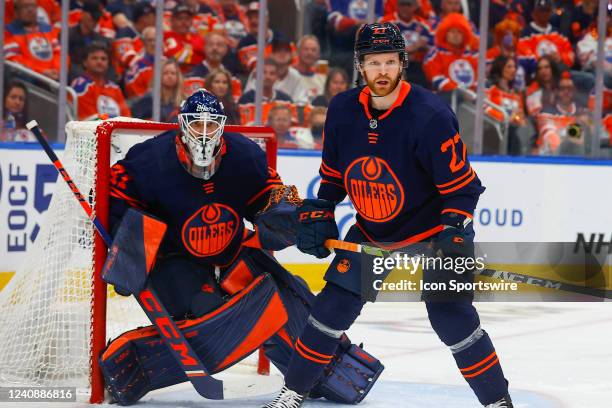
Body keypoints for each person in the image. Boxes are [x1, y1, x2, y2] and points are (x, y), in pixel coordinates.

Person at [264, 22, 513, 408]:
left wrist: (455, 232)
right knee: (331, 309)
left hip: (433, 233)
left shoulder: (430, 116)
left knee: (453, 319)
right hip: (373, 231)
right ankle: (293, 392)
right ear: (360, 66)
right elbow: (333, 175)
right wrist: (324, 209)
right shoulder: (343, 110)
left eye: (390, 62)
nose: (382, 71)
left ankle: (498, 402)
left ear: (402, 64)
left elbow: (463, 188)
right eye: (373, 62)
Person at [101, 89, 383, 405]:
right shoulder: (151, 160)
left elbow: (276, 191)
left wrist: (292, 214)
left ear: (223, 126)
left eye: (212, 125)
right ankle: (130, 359)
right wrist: (127, 250)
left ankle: (323, 370)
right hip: (176, 259)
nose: (204, 133)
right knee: (217, 321)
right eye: (197, 125)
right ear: (182, 125)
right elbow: (115, 194)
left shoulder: (244, 155)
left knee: (290, 295)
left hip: (232, 248)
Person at [70, 43, 131, 120]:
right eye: (94, 58)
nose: (99, 62)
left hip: (115, 130)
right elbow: (89, 120)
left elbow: (126, 117)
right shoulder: (81, 85)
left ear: (108, 63)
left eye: (103, 59)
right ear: (85, 63)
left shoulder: (115, 88)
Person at [423, 13, 479, 97]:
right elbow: (437, 80)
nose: (455, 35)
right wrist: (461, 92)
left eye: (459, 32)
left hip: (470, 100)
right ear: (445, 33)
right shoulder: (435, 54)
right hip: (445, 99)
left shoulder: (471, 56)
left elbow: (478, 80)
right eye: (452, 31)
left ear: (465, 35)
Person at [535, 72, 590, 155]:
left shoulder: (583, 112)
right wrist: (577, 123)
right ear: (556, 91)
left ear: (575, 91)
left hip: (577, 159)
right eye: (562, 88)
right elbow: (550, 139)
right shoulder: (546, 112)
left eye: (569, 88)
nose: (566, 92)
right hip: (550, 160)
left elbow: (591, 135)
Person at [4, 0, 61, 80]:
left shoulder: (48, 29)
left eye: (33, 6)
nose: (30, 10)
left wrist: (56, 70)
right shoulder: (9, 32)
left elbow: (59, 53)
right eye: (25, 7)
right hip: (29, 81)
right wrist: (41, 72)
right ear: (16, 12)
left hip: (53, 77)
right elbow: (14, 60)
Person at [485, 56, 528, 155]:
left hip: (513, 131)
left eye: (514, 67)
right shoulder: (490, 88)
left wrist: (518, 120)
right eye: (509, 67)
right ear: (500, 68)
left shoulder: (516, 93)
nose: (513, 70)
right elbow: (485, 107)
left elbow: (521, 115)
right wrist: (506, 118)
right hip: (493, 129)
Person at [238, 58, 293, 125]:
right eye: (264, 72)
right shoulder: (246, 99)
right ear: (256, 75)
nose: (268, 76)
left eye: (272, 73)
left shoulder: (286, 100)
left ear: (277, 77)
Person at [68, 0, 113, 81]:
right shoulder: (67, 36)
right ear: (83, 14)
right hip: (75, 81)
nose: (95, 20)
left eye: (98, 17)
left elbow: (110, 68)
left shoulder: (102, 40)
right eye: (93, 16)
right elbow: (68, 64)